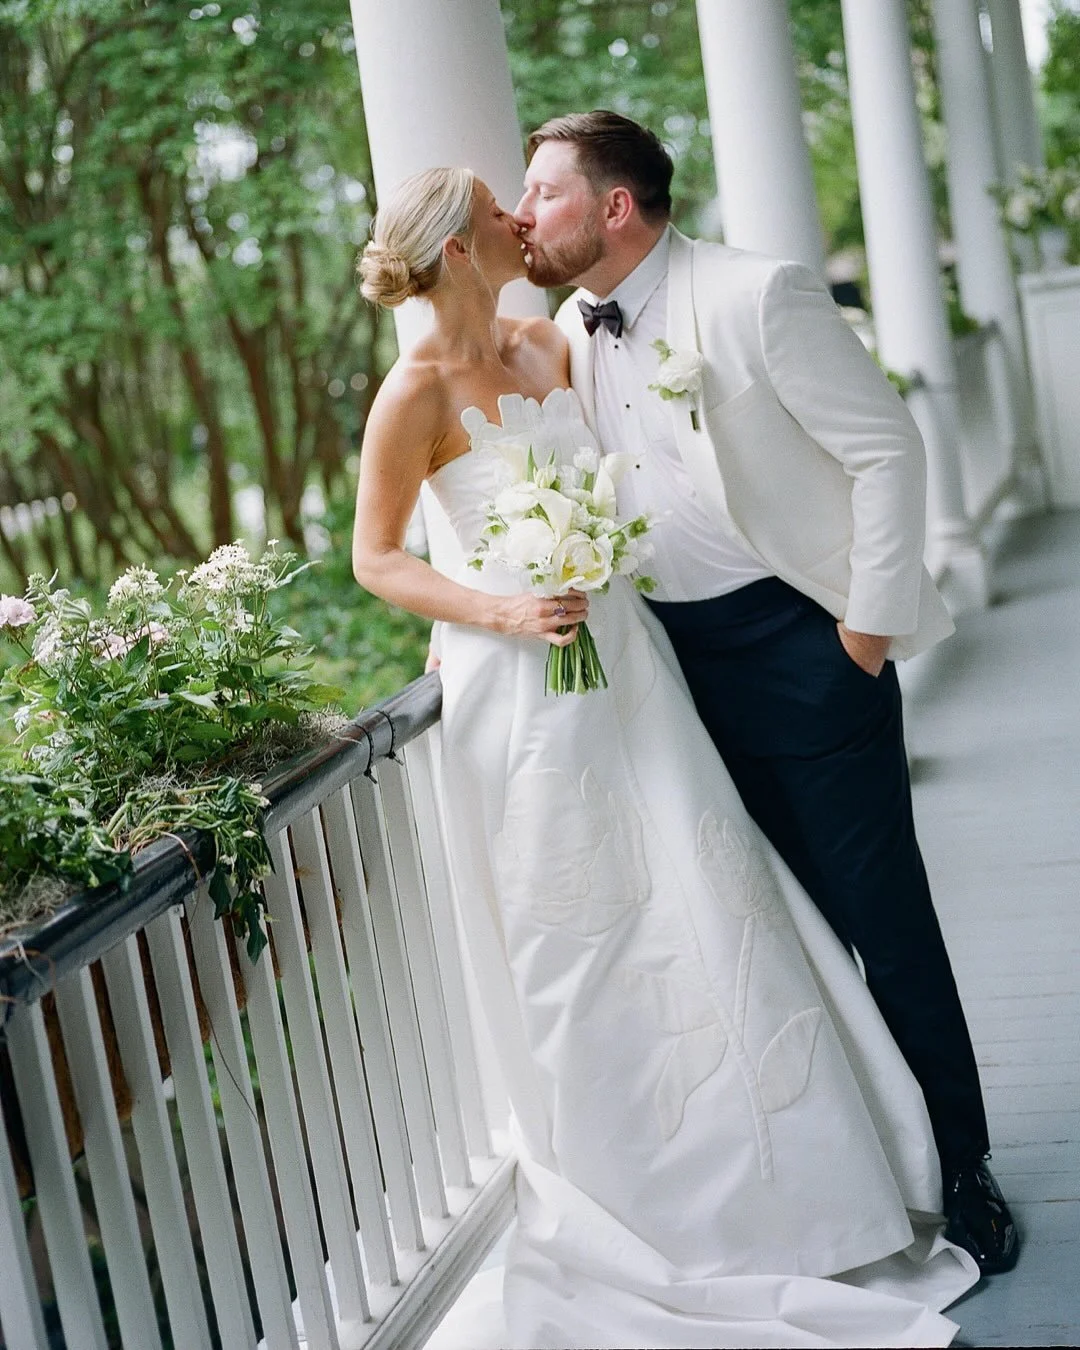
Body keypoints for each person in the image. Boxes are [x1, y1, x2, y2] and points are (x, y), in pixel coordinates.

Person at [352, 164, 980, 1349]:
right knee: (583, 946)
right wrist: (489, 616)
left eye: (529, 196)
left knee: (715, 900)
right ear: (458, 248)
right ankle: (652, 1199)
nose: (520, 217)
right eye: (502, 209)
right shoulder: (412, 391)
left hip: (639, 665)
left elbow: (657, 458)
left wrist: (844, 611)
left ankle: (860, 1181)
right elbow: (376, 558)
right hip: (527, 686)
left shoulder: (554, 345)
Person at [514, 109, 1017, 1278]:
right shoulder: (563, 334)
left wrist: (864, 636)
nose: (525, 213)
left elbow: (886, 450)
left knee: (883, 929)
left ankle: (964, 1168)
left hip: (802, 650)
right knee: (761, 942)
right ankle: (857, 1181)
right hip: (667, 679)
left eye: (543, 192)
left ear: (615, 207)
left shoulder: (756, 293)